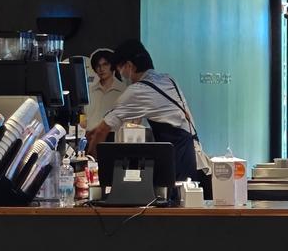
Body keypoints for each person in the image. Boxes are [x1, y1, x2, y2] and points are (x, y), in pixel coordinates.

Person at [86, 40, 211, 194]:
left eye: (120, 69)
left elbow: (102, 129)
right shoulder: (168, 79)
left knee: (177, 202)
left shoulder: (137, 91)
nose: (121, 75)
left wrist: (92, 161)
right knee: (186, 201)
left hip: (178, 158)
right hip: (192, 154)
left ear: (129, 66)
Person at [83, 48, 126, 132]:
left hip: (115, 137)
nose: (101, 69)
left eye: (105, 64)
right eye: (98, 65)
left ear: (112, 66)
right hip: (90, 136)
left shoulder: (124, 91)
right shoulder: (89, 92)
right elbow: (83, 115)